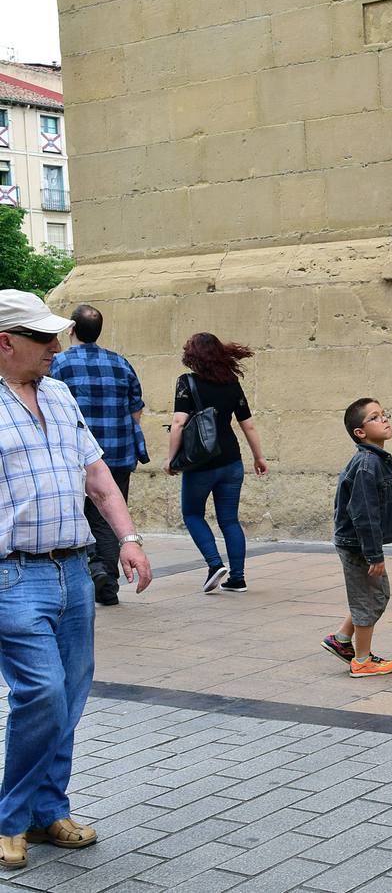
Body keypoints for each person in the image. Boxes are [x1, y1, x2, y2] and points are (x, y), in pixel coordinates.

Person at [0, 289, 152, 870]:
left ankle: (47, 811)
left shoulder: (61, 394)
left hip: (74, 569)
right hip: (12, 573)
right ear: (5, 343)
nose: (56, 347)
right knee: (42, 692)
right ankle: (12, 818)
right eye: (42, 338)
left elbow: (98, 475)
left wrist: (130, 540)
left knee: (70, 695)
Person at [49, 304, 147, 606]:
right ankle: (108, 580)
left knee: (76, 512)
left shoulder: (60, 363)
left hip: (76, 455)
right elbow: (137, 408)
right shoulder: (120, 362)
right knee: (107, 517)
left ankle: (95, 570)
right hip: (118, 452)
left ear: (71, 330)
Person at [162, 333, 267, 594]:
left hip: (201, 462)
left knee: (192, 514)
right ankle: (238, 578)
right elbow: (248, 425)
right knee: (229, 520)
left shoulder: (186, 382)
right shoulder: (231, 382)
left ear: (193, 356)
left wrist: (171, 459)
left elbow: (178, 423)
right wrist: (259, 457)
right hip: (231, 461)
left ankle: (214, 564)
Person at [322, 398, 392, 678]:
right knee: (368, 599)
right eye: (375, 417)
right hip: (357, 545)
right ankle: (361, 661)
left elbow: (372, 498)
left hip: (360, 543)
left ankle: (342, 639)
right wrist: (374, 555)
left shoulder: (376, 460)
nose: (385, 420)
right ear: (360, 432)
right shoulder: (367, 463)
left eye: (384, 414)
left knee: (375, 595)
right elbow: (363, 513)